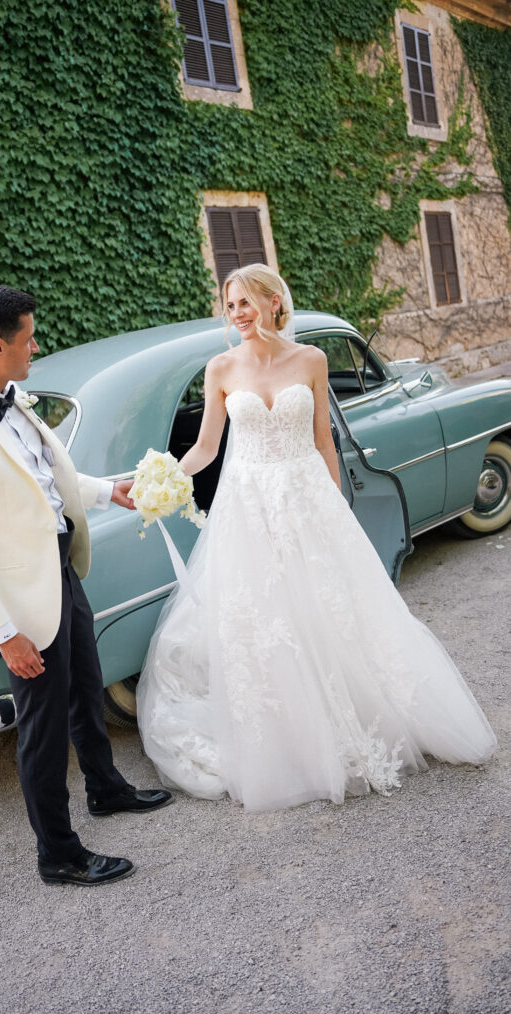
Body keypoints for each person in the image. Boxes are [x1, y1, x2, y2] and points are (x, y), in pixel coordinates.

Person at [136, 264, 497, 811]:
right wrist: (162, 480)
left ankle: (361, 717)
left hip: (307, 497)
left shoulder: (311, 359)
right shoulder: (221, 368)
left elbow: (323, 439)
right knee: (268, 617)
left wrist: (335, 500)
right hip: (250, 507)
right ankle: (293, 738)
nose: (237, 314)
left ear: (273, 301)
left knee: (333, 606)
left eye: (245, 302)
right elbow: (207, 447)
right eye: (230, 305)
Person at [0, 285, 172, 887]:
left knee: (87, 686)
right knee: (43, 730)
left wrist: (106, 490)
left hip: (61, 573)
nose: (36, 347)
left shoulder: (11, 400)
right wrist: (3, 634)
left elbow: (43, 478)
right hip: (21, 602)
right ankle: (58, 853)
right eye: (29, 339)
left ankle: (105, 789)